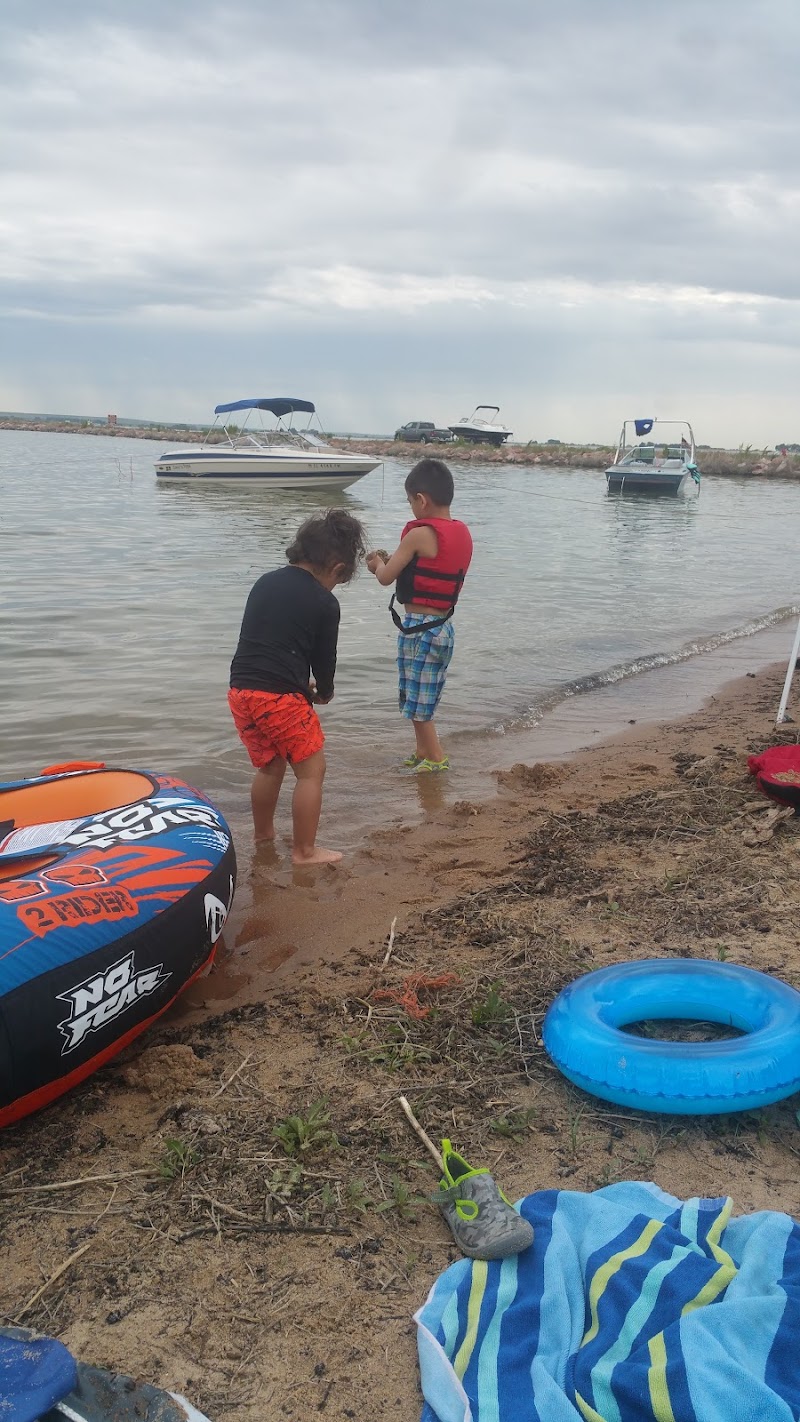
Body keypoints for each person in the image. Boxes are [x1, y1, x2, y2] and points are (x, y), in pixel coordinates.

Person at [228, 509, 366, 864]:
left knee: (270, 765)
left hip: (241, 691)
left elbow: (266, 643)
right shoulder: (324, 601)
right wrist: (325, 690)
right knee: (311, 771)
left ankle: (263, 836)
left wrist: (291, 680)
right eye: (339, 580)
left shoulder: (265, 581)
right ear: (337, 568)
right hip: (279, 697)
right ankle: (305, 851)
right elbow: (324, 659)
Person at [366, 458, 472, 772]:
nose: (412, 508)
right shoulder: (461, 532)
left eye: (411, 502)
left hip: (420, 629)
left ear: (421, 499)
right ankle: (422, 751)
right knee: (418, 696)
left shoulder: (418, 535)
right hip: (441, 627)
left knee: (418, 703)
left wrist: (375, 563)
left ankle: (437, 758)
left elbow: (386, 577)